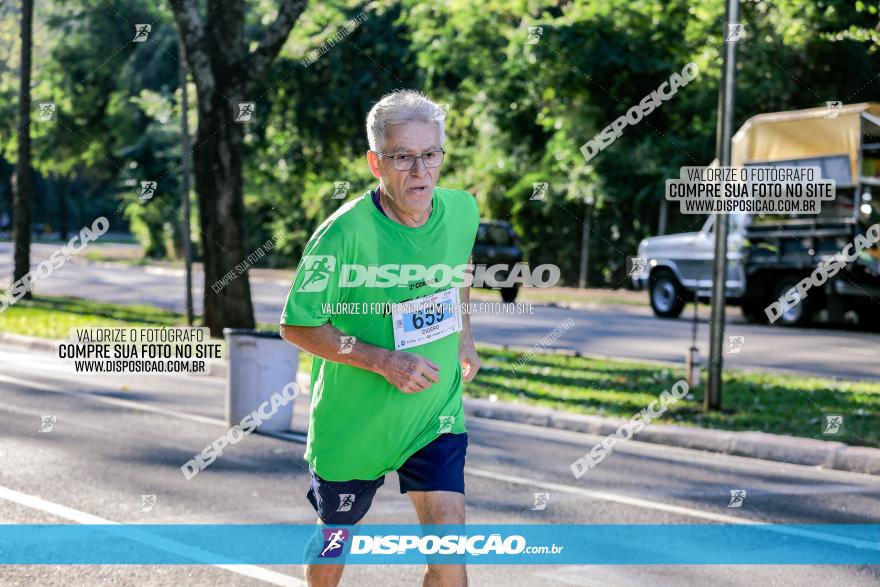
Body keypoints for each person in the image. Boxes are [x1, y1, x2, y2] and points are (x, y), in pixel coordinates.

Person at [280, 89, 481, 587]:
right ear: (375, 163)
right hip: (354, 424)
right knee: (335, 539)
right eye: (403, 157)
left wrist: (464, 337)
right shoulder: (342, 234)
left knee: (449, 554)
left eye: (431, 154)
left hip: (434, 414)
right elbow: (297, 324)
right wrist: (382, 361)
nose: (421, 171)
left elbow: (459, 269)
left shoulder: (462, 211)